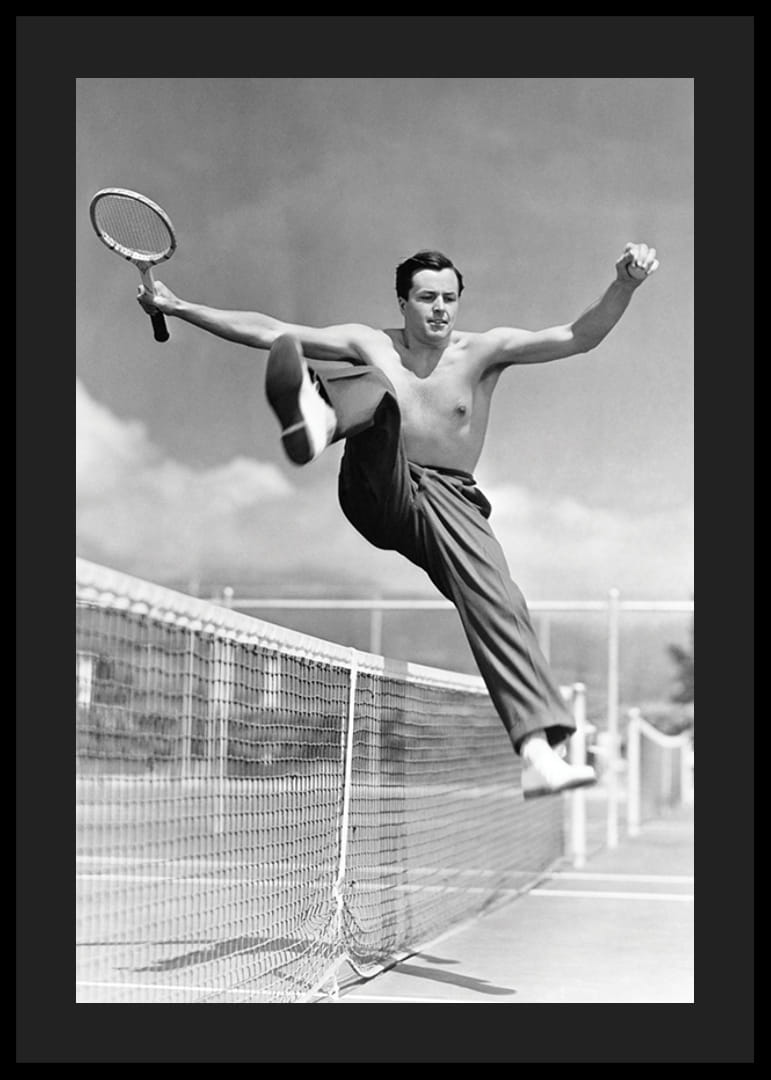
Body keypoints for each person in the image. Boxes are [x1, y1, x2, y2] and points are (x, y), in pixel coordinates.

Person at [138, 241, 658, 799]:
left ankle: (537, 753)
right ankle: (322, 415)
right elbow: (271, 331)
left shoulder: (485, 352)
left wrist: (624, 283)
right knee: (378, 391)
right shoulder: (372, 342)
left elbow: (580, 336)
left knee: (500, 599)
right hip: (379, 488)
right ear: (403, 303)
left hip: (451, 501)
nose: (440, 309)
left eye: (450, 299)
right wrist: (178, 306)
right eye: (427, 298)